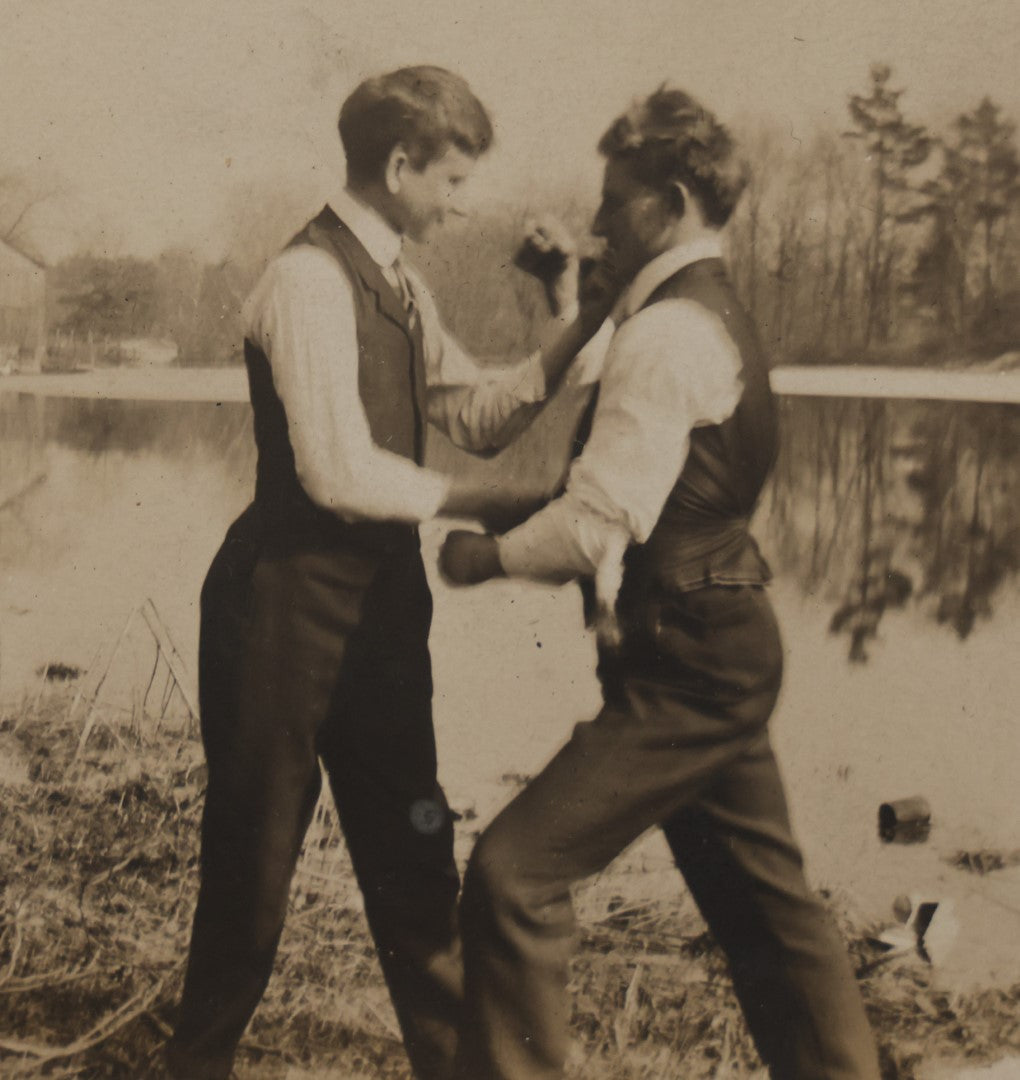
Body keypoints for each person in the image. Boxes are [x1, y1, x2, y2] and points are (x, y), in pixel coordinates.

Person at [165, 66, 603, 1080]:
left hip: (378, 609)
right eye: (454, 179)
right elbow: (335, 470)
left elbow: (480, 417)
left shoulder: (402, 284)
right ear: (400, 166)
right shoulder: (308, 281)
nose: (465, 201)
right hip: (280, 601)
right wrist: (477, 507)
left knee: (414, 859)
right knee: (252, 878)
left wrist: (562, 307)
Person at [440, 86, 882, 1080]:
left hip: (687, 668)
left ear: (671, 201)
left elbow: (597, 515)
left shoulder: (672, 336)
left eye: (615, 202)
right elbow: (614, 398)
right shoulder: (686, 314)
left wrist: (483, 560)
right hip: (717, 646)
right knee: (768, 913)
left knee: (512, 877)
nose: (599, 222)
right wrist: (567, 293)